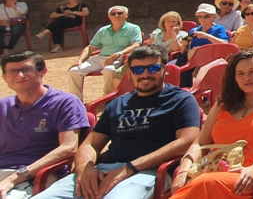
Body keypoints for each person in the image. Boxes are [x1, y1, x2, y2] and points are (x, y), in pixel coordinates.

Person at [37, 46, 201, 199]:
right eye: (137, 70)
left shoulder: (181, 100)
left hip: (147, 172)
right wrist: (85, 169)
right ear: (129, 74)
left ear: (164, 70)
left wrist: (130, 167)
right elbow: (90, 145)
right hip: (103, 170)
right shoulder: (118, 103)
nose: (145, 75)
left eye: (153, 68)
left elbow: (187, 141)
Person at [170, 51, 253, 199]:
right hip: (216, 170)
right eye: (240, 74)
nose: (247, 78)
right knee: (195, 182)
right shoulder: (223, 103)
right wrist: (183, 170)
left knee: (204, 183)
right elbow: (200, 142)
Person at [0, 51, 90, 199]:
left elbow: (69, 148)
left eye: (26, 70)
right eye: (12, 71)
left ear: (43, 71)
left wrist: (15, 177)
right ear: (4, 77)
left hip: (38, 175)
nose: (20, 76)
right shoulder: (3, 106)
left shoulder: (65, 103)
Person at [67, 6, 142, 98]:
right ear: (109, 17)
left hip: (120, 58)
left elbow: (136, 45)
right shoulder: (103, 30)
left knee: (109, 70)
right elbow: (90, 48)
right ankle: (76, 100)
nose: (116, 15)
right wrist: (80, 60)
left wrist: (119, 53)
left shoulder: (133, 28)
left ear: (126, 15)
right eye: (113, 14)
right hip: (101, 58)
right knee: (74, 71)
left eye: (120, 13)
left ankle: (108, 98)